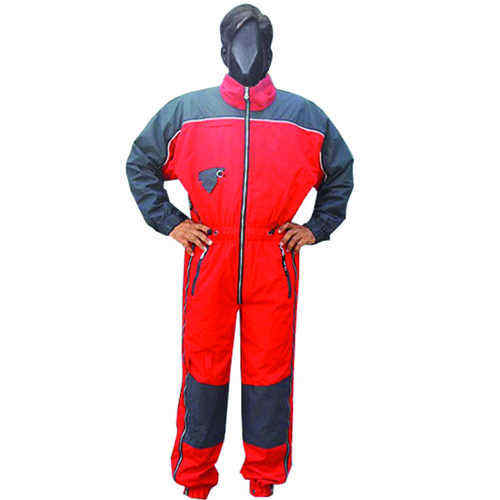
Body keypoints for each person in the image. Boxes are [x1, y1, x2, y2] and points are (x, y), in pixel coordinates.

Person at [126, 4, 353, 498]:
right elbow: (141, 163)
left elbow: (340, 171)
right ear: (223, 49)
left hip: (274, 257)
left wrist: (316, 228)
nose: (249, 53)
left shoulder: (305, 117)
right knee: (204, 369)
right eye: (240, 42)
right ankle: (196, 476)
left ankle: (264, 475)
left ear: (271, 49)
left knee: (269, 371)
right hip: (211, 252)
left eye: (258, 42)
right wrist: (172, 223)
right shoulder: (187, 112)